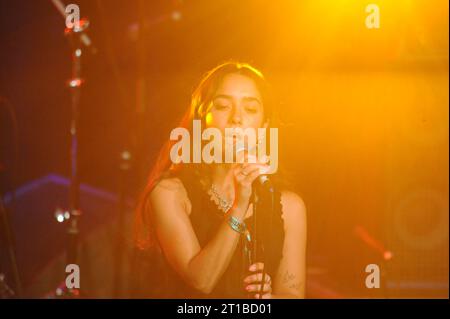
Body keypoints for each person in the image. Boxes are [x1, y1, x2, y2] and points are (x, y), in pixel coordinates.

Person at [133, 61, 307, 298]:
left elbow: (293, 292)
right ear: (203, 119)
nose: (237, 119)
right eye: (223, 106)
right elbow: (201, 281)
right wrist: (239, 206)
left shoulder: (290, 207)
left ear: (264, 127)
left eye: (250, 109)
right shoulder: (169, 193)